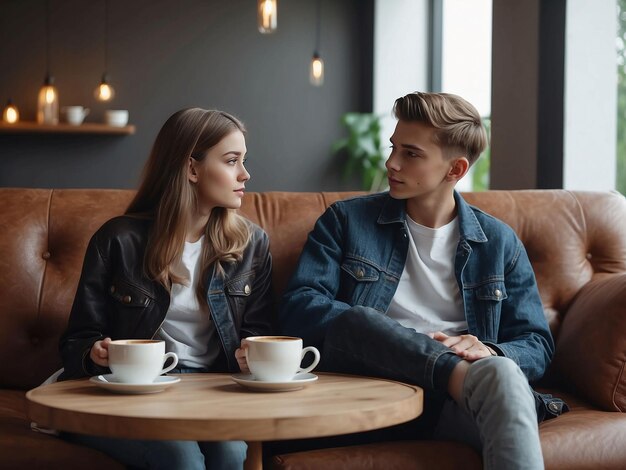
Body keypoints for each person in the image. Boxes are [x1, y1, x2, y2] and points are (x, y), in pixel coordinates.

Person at [280, 92, 566, 469]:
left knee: (500, 370)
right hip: (379, 391)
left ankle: (462, 374)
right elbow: (301, 308)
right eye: (393, 147)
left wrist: (489, 351)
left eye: (410, 154)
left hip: (462, 404)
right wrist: (442, 360)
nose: (390, 163)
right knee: (359, 319)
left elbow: (535, 343)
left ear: (455, 170)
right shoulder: (346, 221)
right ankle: (452, 372)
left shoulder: (498, 242)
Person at [58, 108, 274, 470]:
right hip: (132, 392)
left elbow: (260, 333)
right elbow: (77, 340)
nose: (245, 174)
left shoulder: (252, 244)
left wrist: (251, 354)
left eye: (243, 161)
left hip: (210, 391)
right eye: (232, 161)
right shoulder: (118, 239)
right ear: (191, 169)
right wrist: (95, 353)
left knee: (232, 452)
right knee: (181, 459)